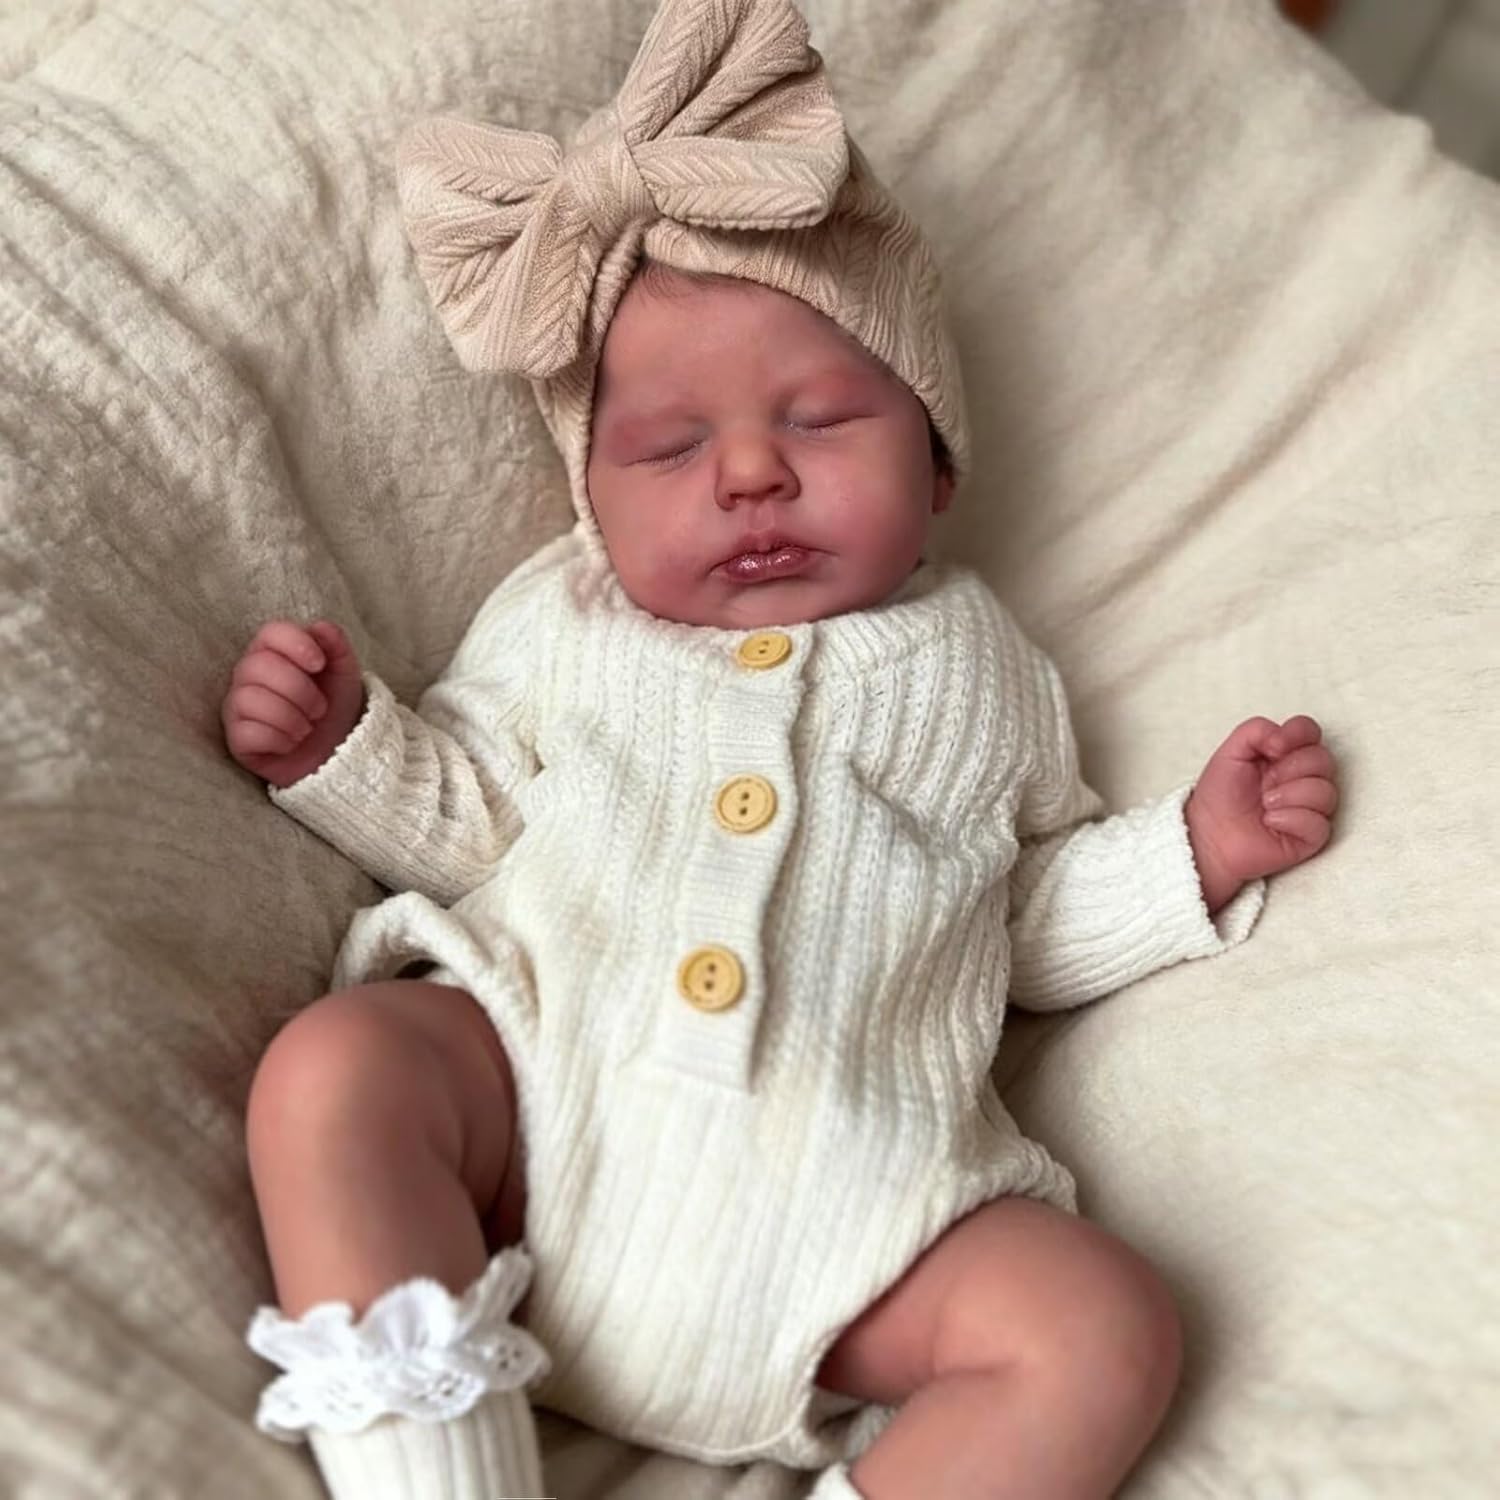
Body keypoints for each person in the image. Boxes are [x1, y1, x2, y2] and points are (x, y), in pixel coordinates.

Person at [222, 2, 1340, 1497]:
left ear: (935, 463)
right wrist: (341, 748)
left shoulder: (985, 663)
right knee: (339, 1069)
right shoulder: (561, 620)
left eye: (820, 422)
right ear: (594, 499)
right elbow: (475, 819)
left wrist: (1193, 852)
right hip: (537, 1113)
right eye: (670, 448)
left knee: (1101, 1325)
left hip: (855, 1208)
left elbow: (1014, 915)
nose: (750, 473)